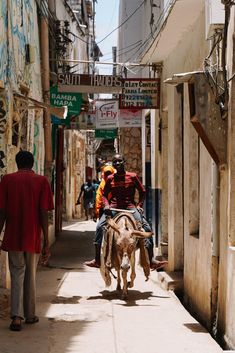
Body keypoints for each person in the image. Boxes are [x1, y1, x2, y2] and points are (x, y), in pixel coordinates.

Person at [0, 151, 54, 331]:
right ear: (32, 164)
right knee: (30, 275)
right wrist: (46, 240)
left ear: (16, 163)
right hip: (32, 236)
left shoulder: (7, 180)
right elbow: (43, 212)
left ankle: (16, 317)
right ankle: (30, 315)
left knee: (16, 274)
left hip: (13, 235)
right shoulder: (41, 181)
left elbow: (2, 211)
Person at [85, 154, 168, 271]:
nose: (118, 164)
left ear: (124, 162)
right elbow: (104, 194)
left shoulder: (132, 176)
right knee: (99, 227)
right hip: (114, 208)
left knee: (147, 228)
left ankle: (151, 260)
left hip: (130, 208)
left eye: (119, 161)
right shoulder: (110, 178)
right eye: (115, 162)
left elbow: (143, 191)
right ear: (113, 165)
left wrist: (139, 205)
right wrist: (107, 205)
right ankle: (97, 260)